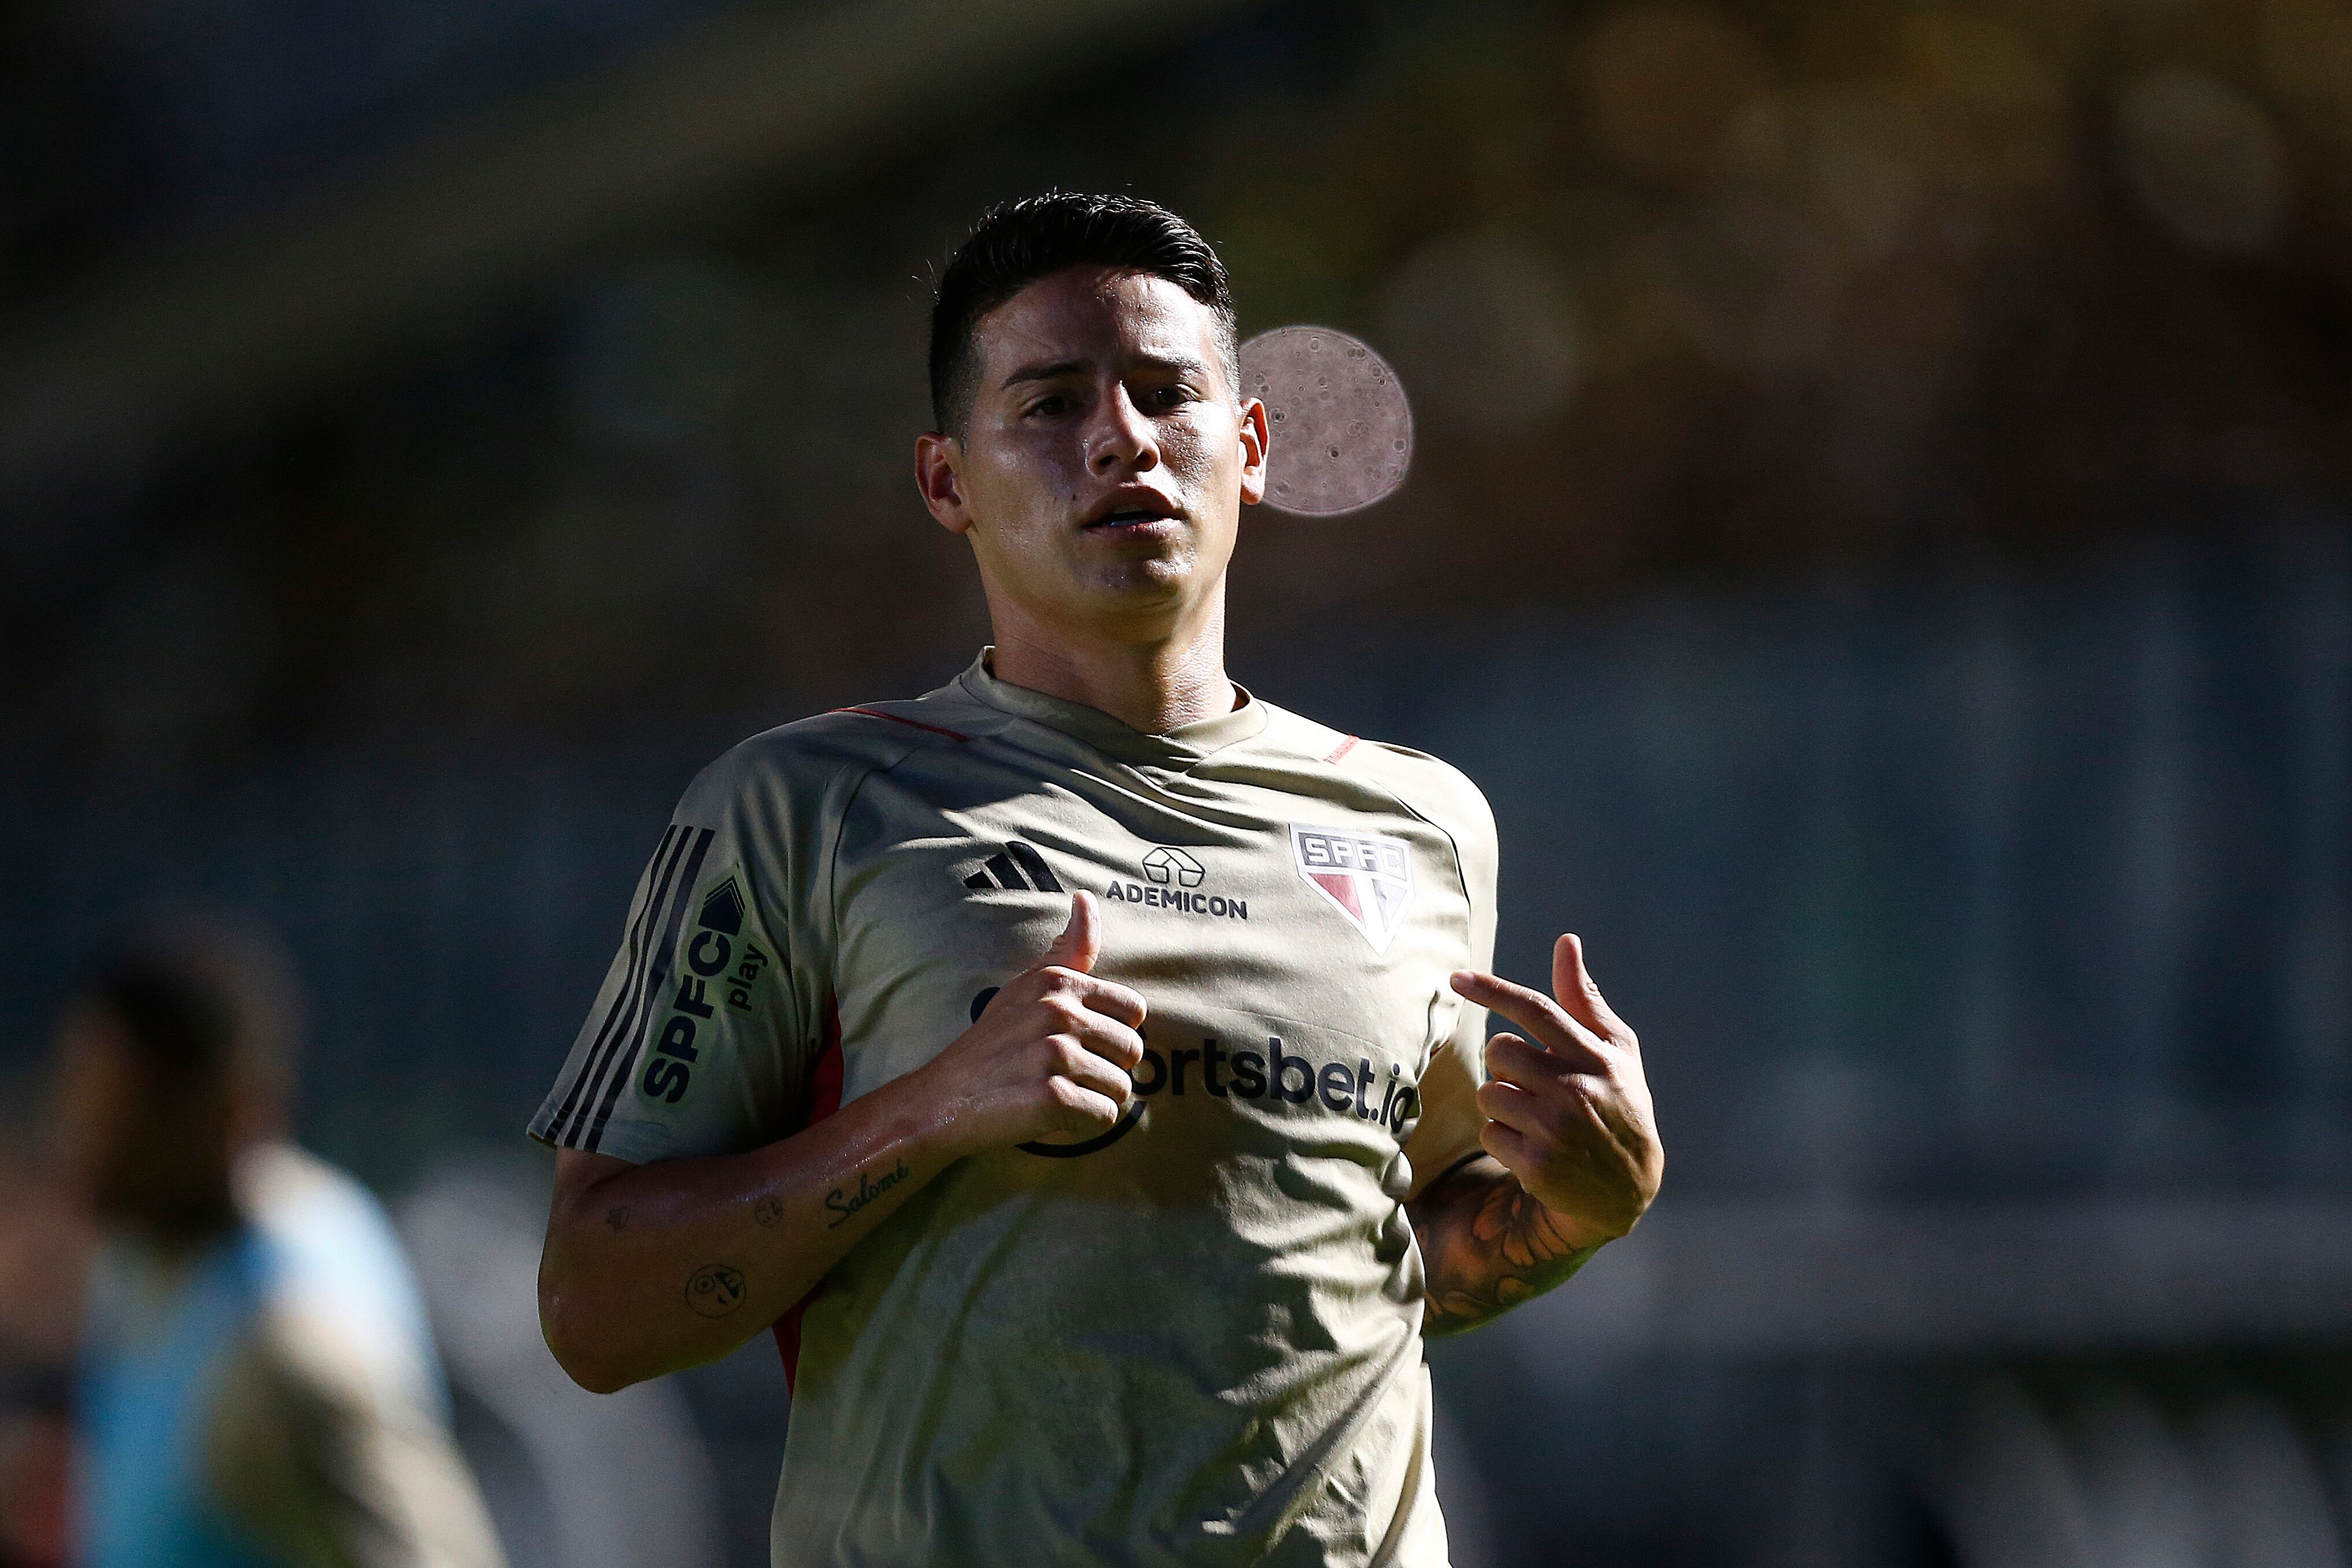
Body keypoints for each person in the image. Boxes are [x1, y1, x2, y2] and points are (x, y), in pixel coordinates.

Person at [533, 192, 1663, 1566]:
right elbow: (595, 1305)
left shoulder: (1418, 817)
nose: (1121, 437)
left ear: (1245, 446)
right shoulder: (803, 806)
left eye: (1163, 392)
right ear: (947, 481)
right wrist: (933, 1107)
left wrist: (1573, 1207)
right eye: (1051, 401)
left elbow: (1388, 1251)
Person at [51, 914, 507, 1568]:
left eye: (123, 1112)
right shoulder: (143, 1247)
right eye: (79, 1093)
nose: (82, 1138)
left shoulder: (286, 1354)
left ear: (235, 1109)